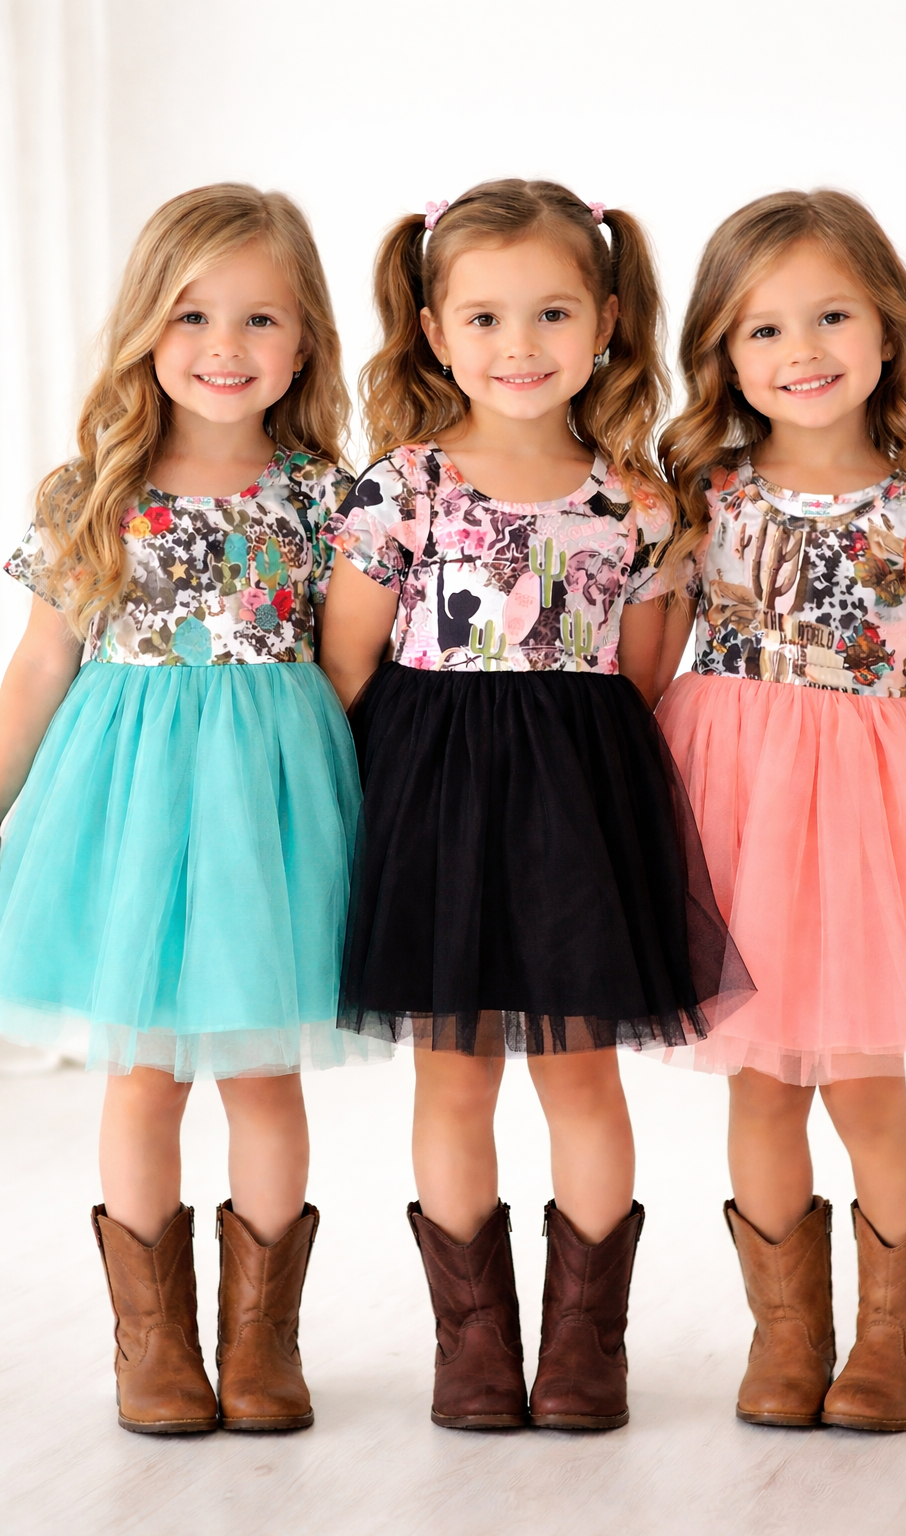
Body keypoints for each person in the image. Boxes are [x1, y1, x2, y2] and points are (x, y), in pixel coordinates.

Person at [320, 179, 750, 1432]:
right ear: (435, 330)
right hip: (433, 802)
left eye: (553, 313)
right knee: (450, 1079)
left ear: (607, 319)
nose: (521, 347)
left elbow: (646, 673)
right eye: (487, 317)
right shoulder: (399, 484)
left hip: (576, 803)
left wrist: (594, 794)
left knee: (579, 1077)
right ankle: (471, 1347)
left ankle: (582, 1349)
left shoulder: (638, 501)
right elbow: (348, 665)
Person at [0, 184, 370, 1434]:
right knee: (145, 1075)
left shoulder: (330, 498)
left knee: (267, 1076)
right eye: (192, 315)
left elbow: (358, 670)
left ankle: (261, 1344)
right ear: (144, 332)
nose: (226, 347)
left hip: (272, 815)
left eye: (260, 318)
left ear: (306, 340)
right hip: (129, 811)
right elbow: (42, 667)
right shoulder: (91, 492)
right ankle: (152, 1347)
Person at [656, 188, 906, 1433]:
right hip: (731, 806)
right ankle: (786, 1339)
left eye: (828, 317)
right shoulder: (700, 489)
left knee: (865, 1082)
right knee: (758, 1084)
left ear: (886, 329)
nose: (799, 352)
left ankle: (896, 1342)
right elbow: (649, 657)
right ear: (720, 349)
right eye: (761, 331)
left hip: (871, 821)